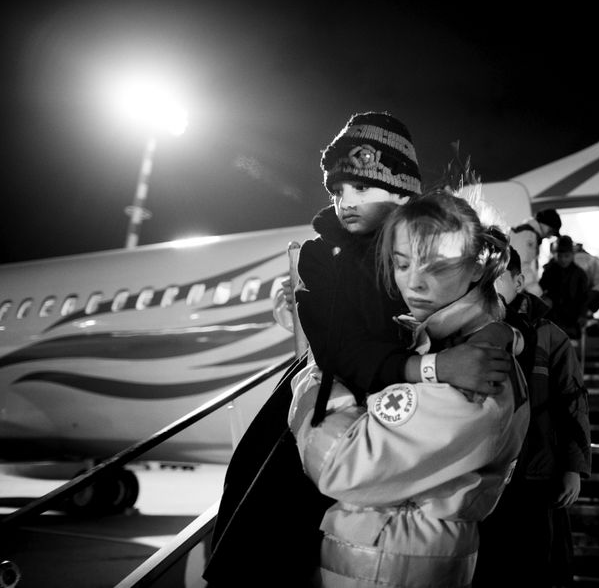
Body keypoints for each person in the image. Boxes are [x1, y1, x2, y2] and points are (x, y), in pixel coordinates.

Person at [204, 112, 512, 585]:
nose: (345, 201)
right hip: (336, 397)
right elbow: (338, 349)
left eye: (362, 187)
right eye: (337, 190)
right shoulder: (322, 256)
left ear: (403, 193)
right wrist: (432, 367)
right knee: (274, 538)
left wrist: (493, 332)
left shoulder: (427, 245)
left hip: (404, 418)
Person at [288, 189, 531, 587]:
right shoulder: (444, 343)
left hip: (390, 568)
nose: (414, 283)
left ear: (476, 267)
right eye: (401, 264)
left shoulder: (477, 372)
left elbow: (338, 464)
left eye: (436, 266)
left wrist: (314, 380)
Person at [473, 245, 592, 588]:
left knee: (535, 568)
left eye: (497, 279)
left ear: (519, 282)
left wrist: (573, 468)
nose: (487, 288)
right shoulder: (466, 333)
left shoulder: (550, 336)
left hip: (536, 476)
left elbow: (572, 402)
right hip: (482, 477)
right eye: (479, 279)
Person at [539, 234, 590, 343]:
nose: (563, 259)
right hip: (552, 319)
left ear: (572, 255)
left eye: (566, 256)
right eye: (559, 256)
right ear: (555, 254)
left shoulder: (580, 274)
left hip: (572, 320)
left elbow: (584, 298)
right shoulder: (549, 271)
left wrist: (583, 315)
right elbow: (540, 291)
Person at [509, 208, 562, 295]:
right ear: (544, 224)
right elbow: (522, 266)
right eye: (551, 231)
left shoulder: (525, 231)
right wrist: (537, 293)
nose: (549, 236)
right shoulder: (528, 235)